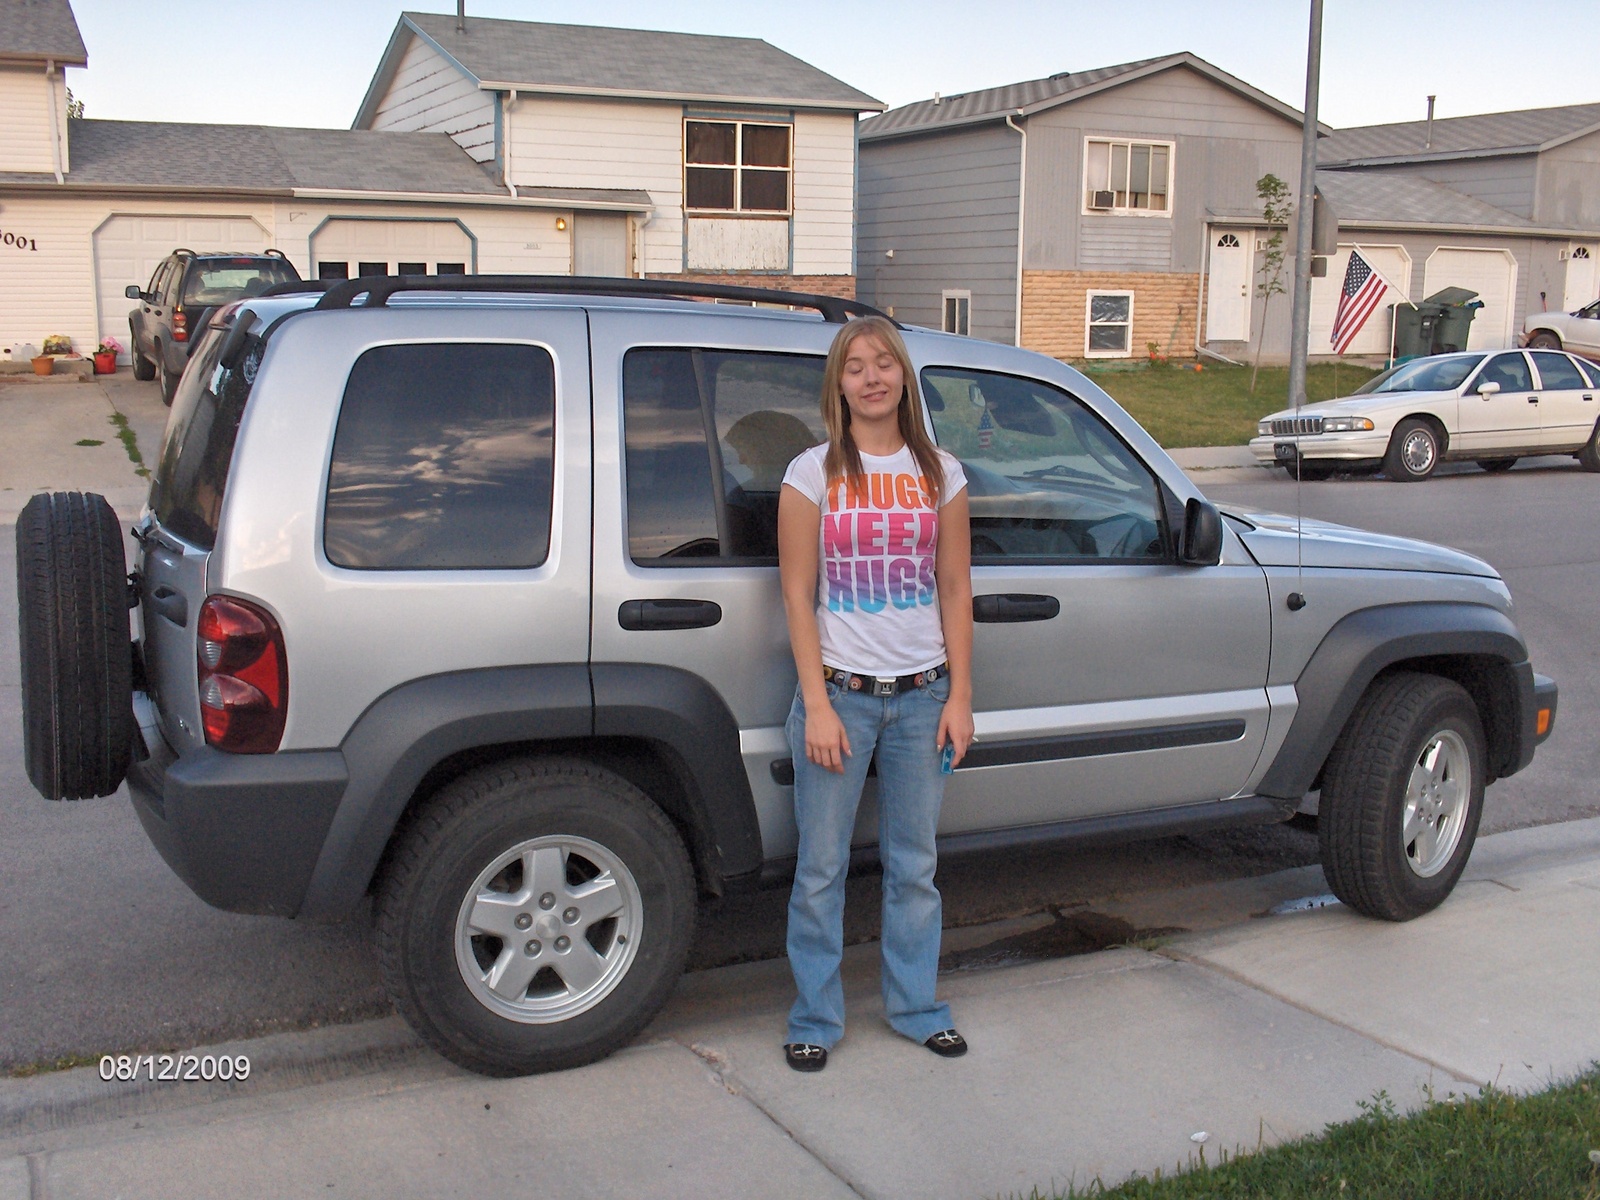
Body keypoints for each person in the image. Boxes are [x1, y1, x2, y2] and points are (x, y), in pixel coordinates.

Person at [776, 314, 975, 1073]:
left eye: (883, 362)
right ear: (839, 383)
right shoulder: (811, 472)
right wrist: (818, 705)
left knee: (913, 866)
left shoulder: (941, 473)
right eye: (855, 365)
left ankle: (918, 1007)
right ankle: (815, 1018)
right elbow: (797, 596)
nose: (871, 377)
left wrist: (959, 697)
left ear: (903, 377)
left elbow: (955, 587)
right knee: (820, 870)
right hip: (840, 697)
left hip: (922, 698)